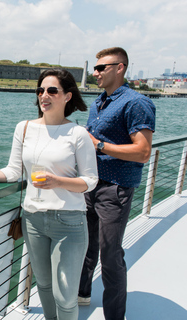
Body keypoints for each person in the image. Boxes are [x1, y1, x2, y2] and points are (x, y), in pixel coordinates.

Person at [0, 69, 98, 320]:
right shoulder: (24, 128)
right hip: (33, 219)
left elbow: (90, 182)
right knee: (45, 287)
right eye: (40, 90)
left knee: (66, 295)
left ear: (67, 96)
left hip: (69, 222)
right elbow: (15, 170)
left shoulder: (77, 134)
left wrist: (57, 181)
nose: (43, 95)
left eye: (51, 90)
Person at [78, 47, 156, 320]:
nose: (95, 72)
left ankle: (114, 316)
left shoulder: (136, 103)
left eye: (102, 68)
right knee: (86, 246)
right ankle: (83, 294)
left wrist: (99, 145)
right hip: (90, 184)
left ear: (120, 68)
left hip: (116, 187)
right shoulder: (99, 102)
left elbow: (143, 152)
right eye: (95, 68)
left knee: (110, 256)